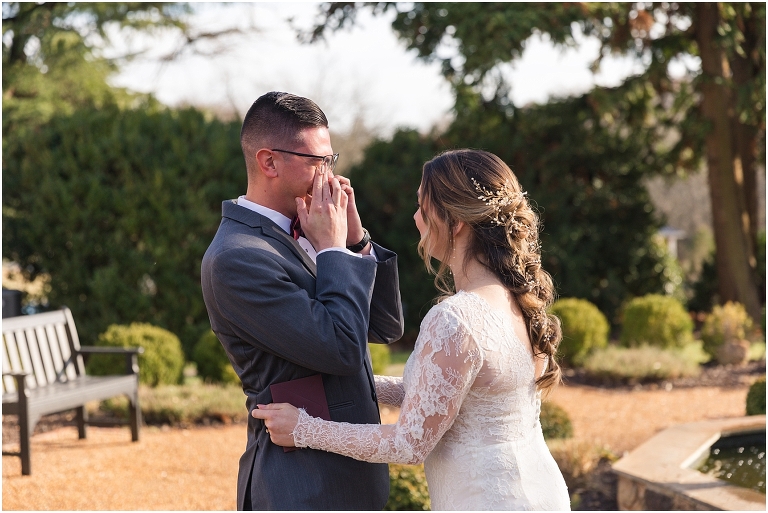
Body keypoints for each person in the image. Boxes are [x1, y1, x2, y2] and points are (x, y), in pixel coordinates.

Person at [252, 149, 571, 510]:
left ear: (456, 222)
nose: (416, 218)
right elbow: (440, 395)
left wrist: (305, 429)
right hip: (538, 492)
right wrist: (353, 385)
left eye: (423, 206)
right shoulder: (515, 298)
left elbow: (409, 443)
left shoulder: (456, 318)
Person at [200, 91, 404, 510]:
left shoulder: (312, 228)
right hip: (302, 484)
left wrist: (355, 242)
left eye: (332, 159)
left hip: (353, 476)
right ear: (268, 161)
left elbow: (384, 327)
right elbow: (343, 349)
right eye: (316, 161)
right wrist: (331, 251)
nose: (328, 174)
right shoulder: (238, 258)